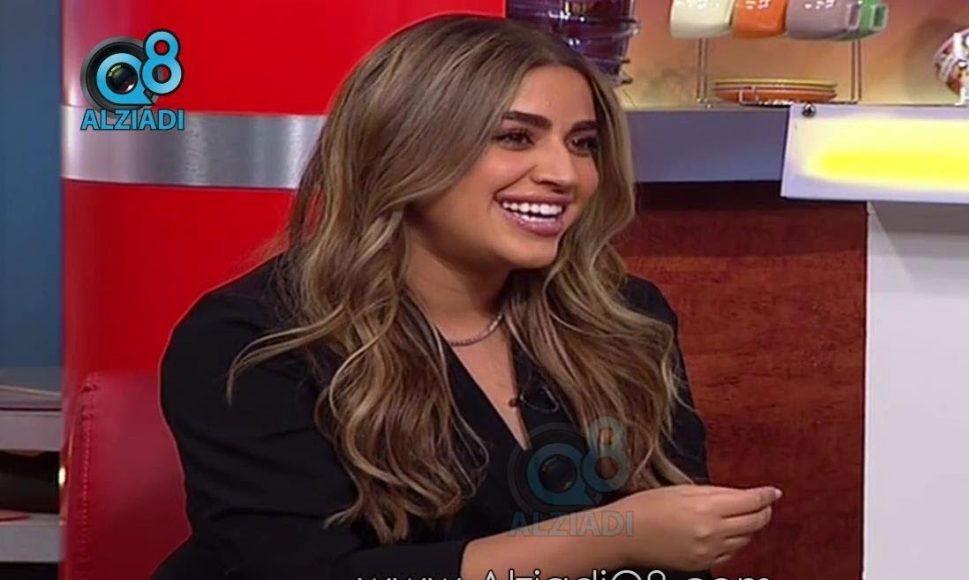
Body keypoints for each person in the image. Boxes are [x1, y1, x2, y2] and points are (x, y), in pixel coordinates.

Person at [153, 13, 781, 580]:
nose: (565, 174)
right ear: (403, 148)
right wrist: (610, 540)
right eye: (515, 137)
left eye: (583, 143)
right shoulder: (254, 339)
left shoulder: (624, 319)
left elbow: (672, 541)